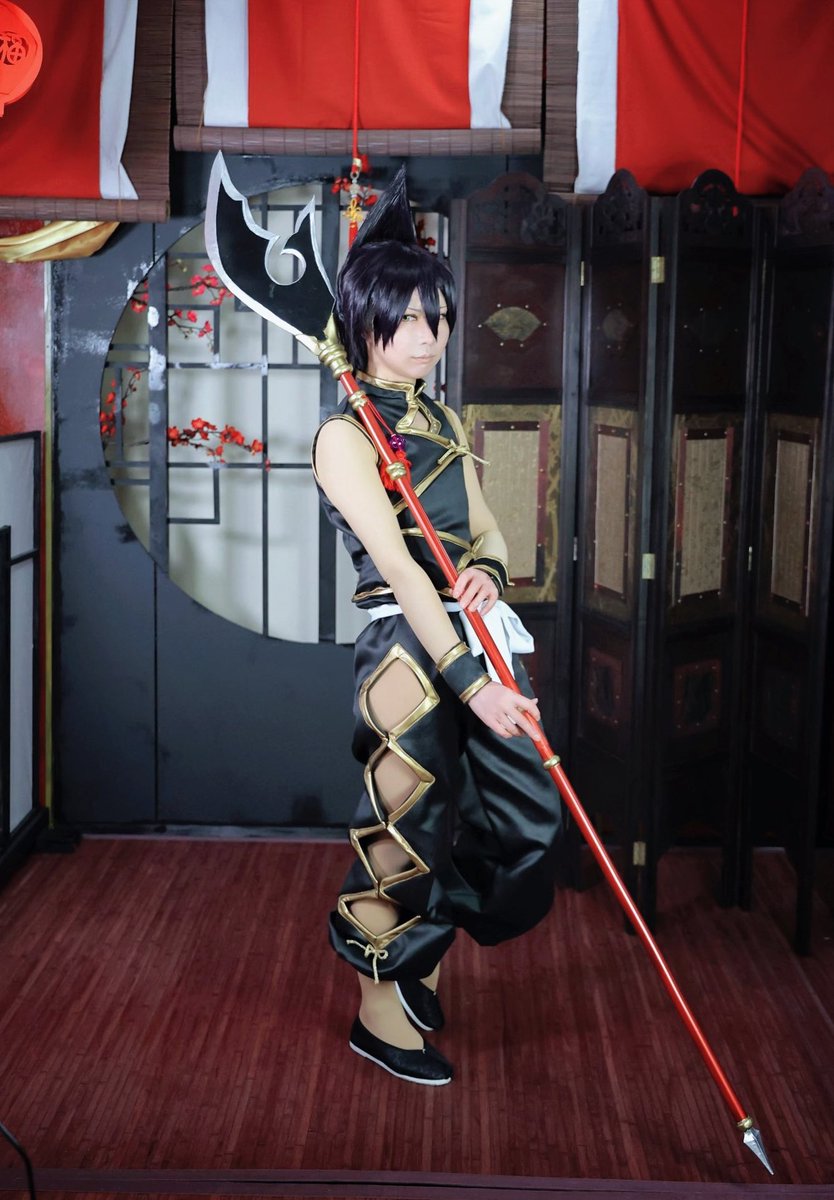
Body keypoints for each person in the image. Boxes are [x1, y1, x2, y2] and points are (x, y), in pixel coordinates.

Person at [313, 167, 562, 1085]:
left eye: (440, 317)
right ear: (366, 323)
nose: (429, 335)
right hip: (408, 652)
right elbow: (403, 572)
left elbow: (486, 529)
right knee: (403, 829)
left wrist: (490, 571)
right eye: (409, 318)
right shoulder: (345, 437)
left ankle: (423, 942)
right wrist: (469, 680)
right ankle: (381, 1010)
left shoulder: (440, 417)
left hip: (478, 631)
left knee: (526, 819)